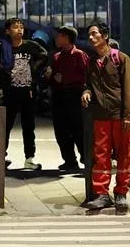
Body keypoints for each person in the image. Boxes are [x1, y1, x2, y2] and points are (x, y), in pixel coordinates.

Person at [82, 23, 130, 210]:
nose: (91, 38)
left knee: (124, 154)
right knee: (101, 155)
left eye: (94, 34)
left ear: (105, 36)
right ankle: (102, 194)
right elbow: (87, 83)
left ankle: (121, 192)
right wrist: (86, 92)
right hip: (101, 115)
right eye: (89, 35)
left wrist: (128, 116)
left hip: (122, 116)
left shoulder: (121, 59)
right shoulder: (91, 62)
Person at [0, 17, 48, 170]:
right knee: (6, 125)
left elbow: (44, 56)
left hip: (27, 91)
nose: (19, 29)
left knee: (28, 126)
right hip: (10, 92)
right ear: (8, 31)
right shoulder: (4, 48)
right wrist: (2, 75)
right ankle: (1, 157)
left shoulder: (31, 46)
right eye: (15, 27)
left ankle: (29, 158)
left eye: (21, 26)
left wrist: (34, 68)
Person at [45, 25, 88, 171]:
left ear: (66, 37)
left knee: (78, 129)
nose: (56, 38)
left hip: (75, 95)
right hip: (60, 96)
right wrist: (51, 77)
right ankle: (69, 160)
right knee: (61, 131)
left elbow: (87, 76)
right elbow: (50, 78)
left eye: (59, 36)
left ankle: (86, 158)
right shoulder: (56, 56)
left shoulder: (79, 55)